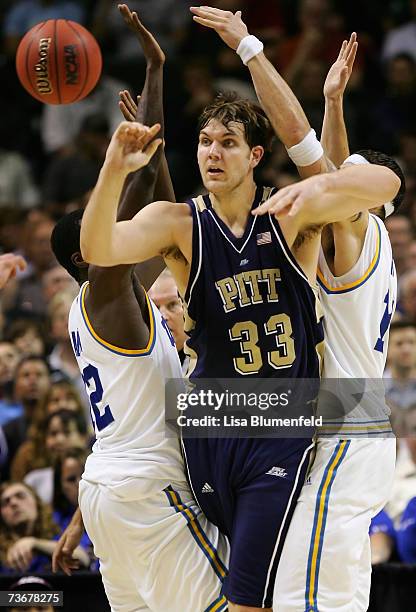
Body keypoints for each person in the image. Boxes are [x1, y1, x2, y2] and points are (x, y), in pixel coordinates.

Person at [80, 9, 400, 611]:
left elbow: (346, 172)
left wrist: (256, 53)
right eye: (204, 142)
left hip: (285, 426)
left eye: (228, 143)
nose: (212, 153)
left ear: (255, 156)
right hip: (211, 422)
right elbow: (98, 249)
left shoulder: (295, 214)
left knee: (249, 599)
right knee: (248, 592)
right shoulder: (177, 224)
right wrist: (112, 169)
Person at [52, 6, 229, 612]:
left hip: (110, 489)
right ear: (86, 256)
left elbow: (157, 197)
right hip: (149, 493)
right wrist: (123, 164)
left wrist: (156, 71)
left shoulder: (123, 300)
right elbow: (128, 211)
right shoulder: (104, 297)